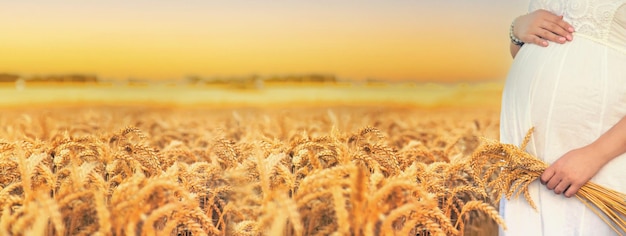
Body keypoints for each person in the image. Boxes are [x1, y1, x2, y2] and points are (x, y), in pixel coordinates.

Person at [499, 0, 626, 235]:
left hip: (599, 163)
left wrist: (597, 153)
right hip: (526, 166)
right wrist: (518, 31)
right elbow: (533, 52)